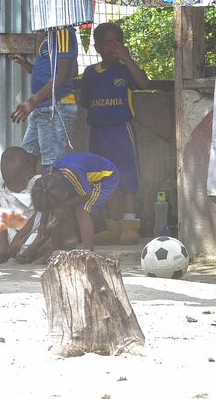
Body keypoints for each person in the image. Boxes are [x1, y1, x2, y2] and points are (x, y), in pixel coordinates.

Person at [79, 22, 151, 244]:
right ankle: (112, 227)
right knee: (102, 178)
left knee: (127, 176)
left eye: (117, 42)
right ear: (97, 47)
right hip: (98, 132)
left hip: (121, 130)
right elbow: (84, 101)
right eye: (107, 43)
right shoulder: (90, 73)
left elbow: (144, 83)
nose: (113, 47)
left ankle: (129, 227)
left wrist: (126, 58)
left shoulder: (125, 70)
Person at [9, 26, 81, 168]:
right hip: (43, 107)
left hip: (56, 108)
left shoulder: (63, 32)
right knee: (27, 157)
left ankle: (53, 183)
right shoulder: (50, 36)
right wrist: (26, 64)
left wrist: (32, 101)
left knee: (52, 163)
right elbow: (50, 72)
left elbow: (62, 76)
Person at [26, 152, 118, 257]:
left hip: (106, 177)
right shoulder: (47, 177)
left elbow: (86, 195)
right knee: (58, 209)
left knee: (81, 210)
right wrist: (42, 223)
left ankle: (89, 255)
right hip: (85, 180)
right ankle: (54, 250)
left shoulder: (70, 173)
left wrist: (63, 205)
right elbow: (49, 204)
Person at [0, 148, 41, 264]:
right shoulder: (3, 193)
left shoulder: (38, 184)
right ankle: (3, 246)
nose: (12, 185)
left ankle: (28, 251)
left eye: (16, 180)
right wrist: (12, 240)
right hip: (13, 236)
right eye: (7, 181)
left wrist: (19, 237)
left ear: (30, 172)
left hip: (36, 232)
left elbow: (41, 213)